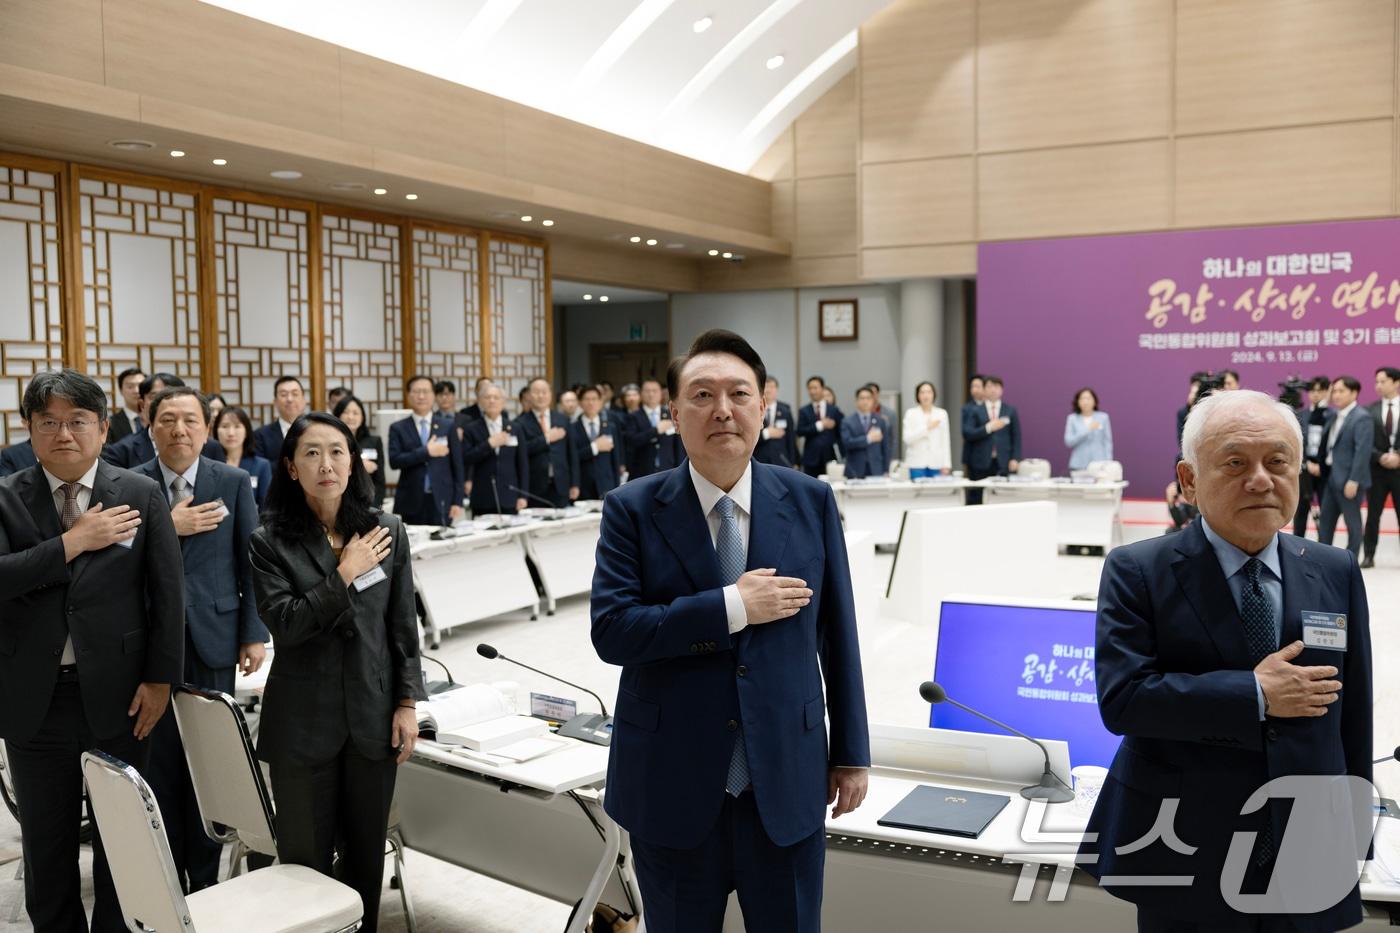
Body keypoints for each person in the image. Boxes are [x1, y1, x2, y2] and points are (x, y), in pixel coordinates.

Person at [591, 329, 869, 933]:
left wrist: (850, 753)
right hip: (671, 784)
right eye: (702, 395)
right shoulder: (632, 508)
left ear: (763, 408)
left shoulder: (810, 499)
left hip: (787, 779)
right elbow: (613, 632)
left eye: (739, 393)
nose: (723, 409)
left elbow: (838, 634)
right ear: (674, 413)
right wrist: (729, 607)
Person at [1081, 389, 1372, 932]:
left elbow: (1351, 711)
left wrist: (1355, 828)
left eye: (1278, 462)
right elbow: (1124, 700)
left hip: (1306, 841)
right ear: (1189, 481)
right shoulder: (1140, 569)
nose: (1261, 479)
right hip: (1183, 840)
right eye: (1236, 462)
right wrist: (1255, 694)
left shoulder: (1334, 569)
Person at [0, 369, 183, 933]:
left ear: (103, 428)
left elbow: (166, 595)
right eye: (48, 422)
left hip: (124, 697)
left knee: (121, 841)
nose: (64, 434)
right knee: (47, 845)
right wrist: (72, 542)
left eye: (78, 421)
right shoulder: (6, 497)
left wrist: (160, 681)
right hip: (36, 700)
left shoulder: (139, 492)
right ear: (29, 430)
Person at [248, 413, 426, 933]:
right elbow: (288, 624)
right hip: (303, 728)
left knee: (365, 860)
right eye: (311, 453)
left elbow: (401, 626)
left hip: (372, 720)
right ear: (291, 466)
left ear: (354, 462)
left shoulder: (385, 529)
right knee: (305, 867)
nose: (326, 464)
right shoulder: (269, 542)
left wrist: (408, 703)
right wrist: (345, 572)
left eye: (337, 451)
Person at [135, 386, 267, 893]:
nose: (179, 430)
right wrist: (169, 527)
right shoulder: (129, 483)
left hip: (215, 637)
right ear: (151, 428)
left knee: (209, 761)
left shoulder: (230, 481)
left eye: (190, 420)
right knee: (160, 760)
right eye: (167, 419)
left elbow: (249, 562)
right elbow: (116, 560)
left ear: (206, 429)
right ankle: (169, 880)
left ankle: (208, 880)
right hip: (148, 642)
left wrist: (253, 633)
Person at [389, 375, 464, 526]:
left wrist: (457, 501)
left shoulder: (448, 426)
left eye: (426, 391)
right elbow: (394, 461)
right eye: (416, 392)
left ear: (433, 395)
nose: (421, 396)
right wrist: (426, 451)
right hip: (411, 499)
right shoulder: (398, 427)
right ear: (408, 395)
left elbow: (457, 465)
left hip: (442, 498)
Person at [104, 372, 222, 469]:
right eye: (156, 396)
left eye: (174, 395)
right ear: (142, 404)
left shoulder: (212, 448)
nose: (166, 402)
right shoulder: (121, 451)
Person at [1316, 376, 1373, 557]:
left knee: (1353, 523)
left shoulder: (1362, 417)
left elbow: (1362, 452)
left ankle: (1351, 561)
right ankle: (1323, 559)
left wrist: (1354, 479)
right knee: (1325, 521)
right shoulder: (1334, 415)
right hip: (1332, 477)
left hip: (1349, 480)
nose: (1336, 395)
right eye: (1335, 391)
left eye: (1341, 391)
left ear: (1354, 393)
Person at [461, 384, 529, 515]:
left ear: (503, 402)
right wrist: (489, 444)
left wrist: (523, 495)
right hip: (482, 496)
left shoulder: (515, 428)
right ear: (480, 402)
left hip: (510, 495)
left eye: (496, 397)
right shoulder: (471, 429)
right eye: (487, 397)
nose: (492, 401)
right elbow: (467, 458)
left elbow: (522, 464)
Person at [517, 377, 578, 507]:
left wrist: (575, 483)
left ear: (550, 394)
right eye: (536, 392)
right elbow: (522, 451)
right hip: (534, 486)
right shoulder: (520, 423)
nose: (541, 396)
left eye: (544, 392)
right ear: (528, 395)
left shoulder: (562, 420)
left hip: (561, 484)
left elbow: (572, 454)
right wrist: (546, 439)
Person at [1362, 366, 1400, 568]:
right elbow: (1365, 442)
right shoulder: (1370, 410)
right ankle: (1369, 555)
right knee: (1373, 515)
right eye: (1376, 381)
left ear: (1396, 382)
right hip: (1377, 471)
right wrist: (1380, 456)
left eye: (1383, 381)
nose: (1378, 385)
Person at [961, 375, 1020, 504]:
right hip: (980, 462)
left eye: (996, 386)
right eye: (989, 386)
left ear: (1002, 390)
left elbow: (1016, 436)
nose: (993, 390)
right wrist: (988, 428)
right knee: (977, 498)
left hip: (1002, 461)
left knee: (1002, 498)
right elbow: (968, 433)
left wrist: (1015, 458)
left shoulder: (1009, 410)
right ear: (984, 389)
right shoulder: (975, 410)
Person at [213, 406, 274, 510]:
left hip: (254, 524)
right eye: (224, 426)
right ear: (216, 431)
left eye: (237, 426)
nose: (231, 433)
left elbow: (266, 507)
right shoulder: (208, 464)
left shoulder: (261, 466)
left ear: (246, 431)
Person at [622, 378, 683, 479]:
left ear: (661, 394)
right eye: (647, 391)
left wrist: (680, 469)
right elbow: (631, 441)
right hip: (642, 471)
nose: (651, 394)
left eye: (654, 391)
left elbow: (678, 445)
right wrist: (655, 431)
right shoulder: (633, 416)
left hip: (668, 469)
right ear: (641, 394)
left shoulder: (670, 415)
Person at [1293, 376, 1330, 539]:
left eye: (1319, 391)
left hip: (1325, 470)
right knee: (1301, 509)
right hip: (1305, 469)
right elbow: (1297, 442)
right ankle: (1297, 542)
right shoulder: (1301, 415)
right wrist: (1306, 463)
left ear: (1326, 392)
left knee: (1326, 509)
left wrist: (1320, 466)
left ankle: (1324, 545)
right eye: (1312, 391)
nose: (1315, 394)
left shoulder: (1332, 415)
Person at [570, 385, 622, 500]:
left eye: (594, 399)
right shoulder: (572, 428)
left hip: (607, 484)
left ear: (600, 402)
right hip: (584, 485)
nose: (591, 403)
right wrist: (594, 447)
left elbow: (615, 460)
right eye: (587, 399)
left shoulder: (610, 427)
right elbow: (572, 457)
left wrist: (617, 486)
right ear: (580, 403)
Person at [335, 395, 387, 507]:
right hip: (339, 502)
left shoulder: (374, 441)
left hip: (367, 503)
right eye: (346, 412)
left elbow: (380, 480)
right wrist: (360, 466)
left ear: (362, 417)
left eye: (355, 413)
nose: (350, 417)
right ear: (338, 415)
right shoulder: (331, 443)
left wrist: (374, 507)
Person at [795, 375, 843, 477]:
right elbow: (799, 431)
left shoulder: (834, 410)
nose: (812, 391)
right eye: (810, 388)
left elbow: (840, 434)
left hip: (830, 457)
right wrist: (819, 425)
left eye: (815, 388)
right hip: (811, 457)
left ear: (822, 388)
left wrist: (842, 455)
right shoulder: (804, 410)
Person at [253, 375, 307, 461]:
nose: (289, 399)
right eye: (283, 394)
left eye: (295, 394)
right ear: (275, 402)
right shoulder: (260, 436)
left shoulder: (315, 431)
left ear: (304, 401)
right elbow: (262, 469)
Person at [903, 381, 951, 478]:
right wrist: (927, 428)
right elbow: (907, 438)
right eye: (922, 392)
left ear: (934, 394)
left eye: (929, 392)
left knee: (935, 492)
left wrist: (946, 464)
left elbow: (945, 440)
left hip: (936, 462)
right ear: (918, 395)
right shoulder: (911, 413)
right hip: (916, 463)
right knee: (917, 492)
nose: (926, 395)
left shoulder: (941, 414)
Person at [840, 386, 889, 479]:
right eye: (862, 398)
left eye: (868, 398)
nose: (865, 401)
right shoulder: (847, 421)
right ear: (856, 401)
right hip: (855, 468)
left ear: (873, 401)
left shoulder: (880, 421)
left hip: (876, 468)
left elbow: (885, 447)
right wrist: (868, 439)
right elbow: (847, 443)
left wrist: (886, 470)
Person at [1064, 387, 1113, 470]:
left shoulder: (1103, 417)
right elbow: (1069, 442)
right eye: (1082, 399)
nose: (1085, 402)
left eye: (1088, 398)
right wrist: (1087, 429)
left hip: (1099, 464)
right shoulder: (1072, 418)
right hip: (1078, 464)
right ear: (1078, 402)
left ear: (1094, 401)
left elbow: (1107, 441)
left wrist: (1108, 461)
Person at [754, 376, 797, 468]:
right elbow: (749, 435)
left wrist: (793, 462)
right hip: (759, 459)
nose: (768, 390)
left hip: (781, 459)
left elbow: (791, 439)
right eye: (766, 387)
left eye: (771, 387)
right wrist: (766, 433)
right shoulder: (755, 410)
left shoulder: (785, 411)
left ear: (777, 390)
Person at [106, 366, 146, 445]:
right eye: (130, 387)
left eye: (140, 386)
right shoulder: (110, 424)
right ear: (121, 391)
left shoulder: (156, 421)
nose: (136, 391)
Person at [1176, 372, 1208, 457]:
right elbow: (1182, 441)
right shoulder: (1183, 412)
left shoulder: (1216, 408)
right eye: (1193, 391)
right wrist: (1191, 409)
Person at [959, 374, 985, 475]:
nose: (974, 389)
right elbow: (966, 432)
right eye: (972, 386)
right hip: (973, 457)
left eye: (978, 386)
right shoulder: (967, 409)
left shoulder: (992, 407)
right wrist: (987, 428)